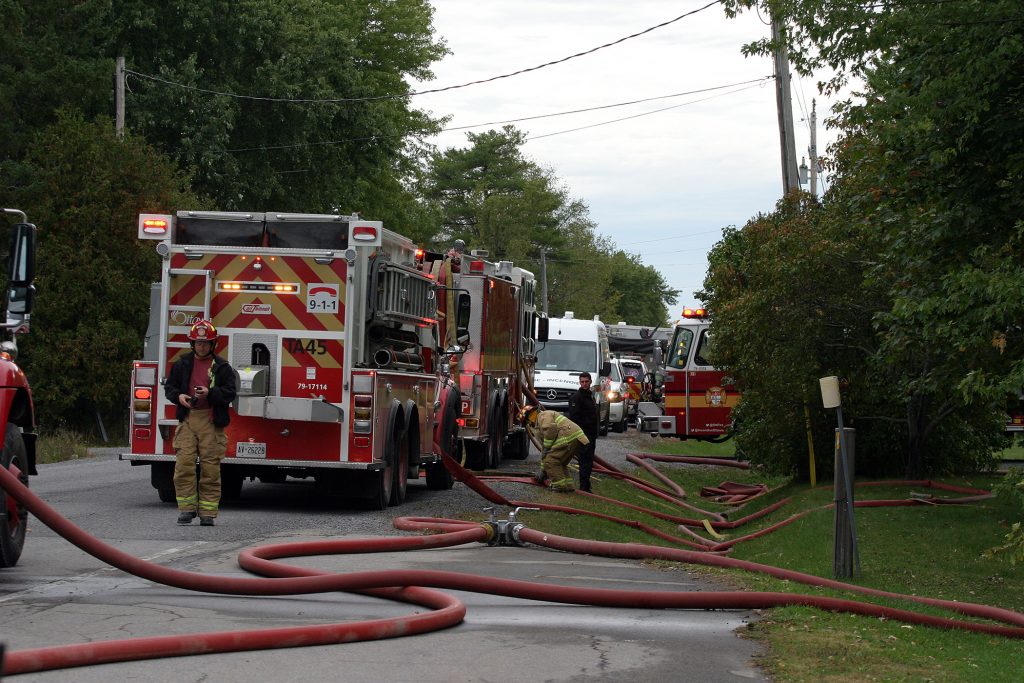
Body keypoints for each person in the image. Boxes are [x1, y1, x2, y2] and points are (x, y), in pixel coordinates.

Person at [165, 319, 237, 526]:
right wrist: (179, 397)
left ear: (213, 344)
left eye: (206, 343)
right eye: (198, 343)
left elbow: (230, 393)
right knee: (184, 465)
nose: (202, 346)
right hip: (188, 420)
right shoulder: (182, 364)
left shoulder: (222, 367)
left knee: (210, 469)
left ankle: (207, 513)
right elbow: (170, 388)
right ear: (192, 344)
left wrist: (210, 393)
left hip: (211, 421)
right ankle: (186, 510)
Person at [517, 404, 589, 492]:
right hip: (575, 438)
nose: (531, 419)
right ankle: (569, 486)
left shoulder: (543, 416)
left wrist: (546, 450)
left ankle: (559, 486)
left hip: (568, 438)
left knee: (551, 461)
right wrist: (543, 470)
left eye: (531, 415)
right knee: (559, 463)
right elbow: (545, 450)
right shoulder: (538, 424)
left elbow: (550, 429)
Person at [567, 371, 599, 493]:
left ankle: (586, 484)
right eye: (582, 382)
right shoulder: (577, 397)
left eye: (586, 382)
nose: (584, 384)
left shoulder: (590, 396)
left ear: (590, 382)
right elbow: (575, 418)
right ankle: (584, 487)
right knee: (584, 461)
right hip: (583, 434)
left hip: (591, 434)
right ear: (579, 382)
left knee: (589, 461)